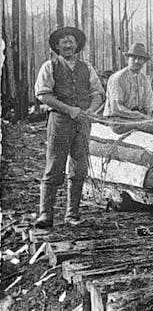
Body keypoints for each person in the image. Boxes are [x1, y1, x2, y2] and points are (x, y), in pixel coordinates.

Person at [34, 26, 104, 228]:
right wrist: (68, 109)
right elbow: (43, 95)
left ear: (77, 45)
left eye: (71, 41)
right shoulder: (50, 66)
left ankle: (72, 215)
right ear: (57, 46)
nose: (67, 45)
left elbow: (98, 92)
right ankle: (45, 215)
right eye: (63, 41)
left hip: (82, 124)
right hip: (59, 122)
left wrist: (90, 110)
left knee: (78, 168)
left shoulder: (87, 67)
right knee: (54, 167)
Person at [103, 43, 153, 144]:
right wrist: (141, 116)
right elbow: (117, 108)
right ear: (128, 59)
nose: (137, 61)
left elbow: (149, 102)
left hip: (139, 117)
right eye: (134, 58)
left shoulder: (144, 79)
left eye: (140, 59)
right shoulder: (118, 78)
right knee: (151, 125)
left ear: (144, 61)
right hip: (119, 120)